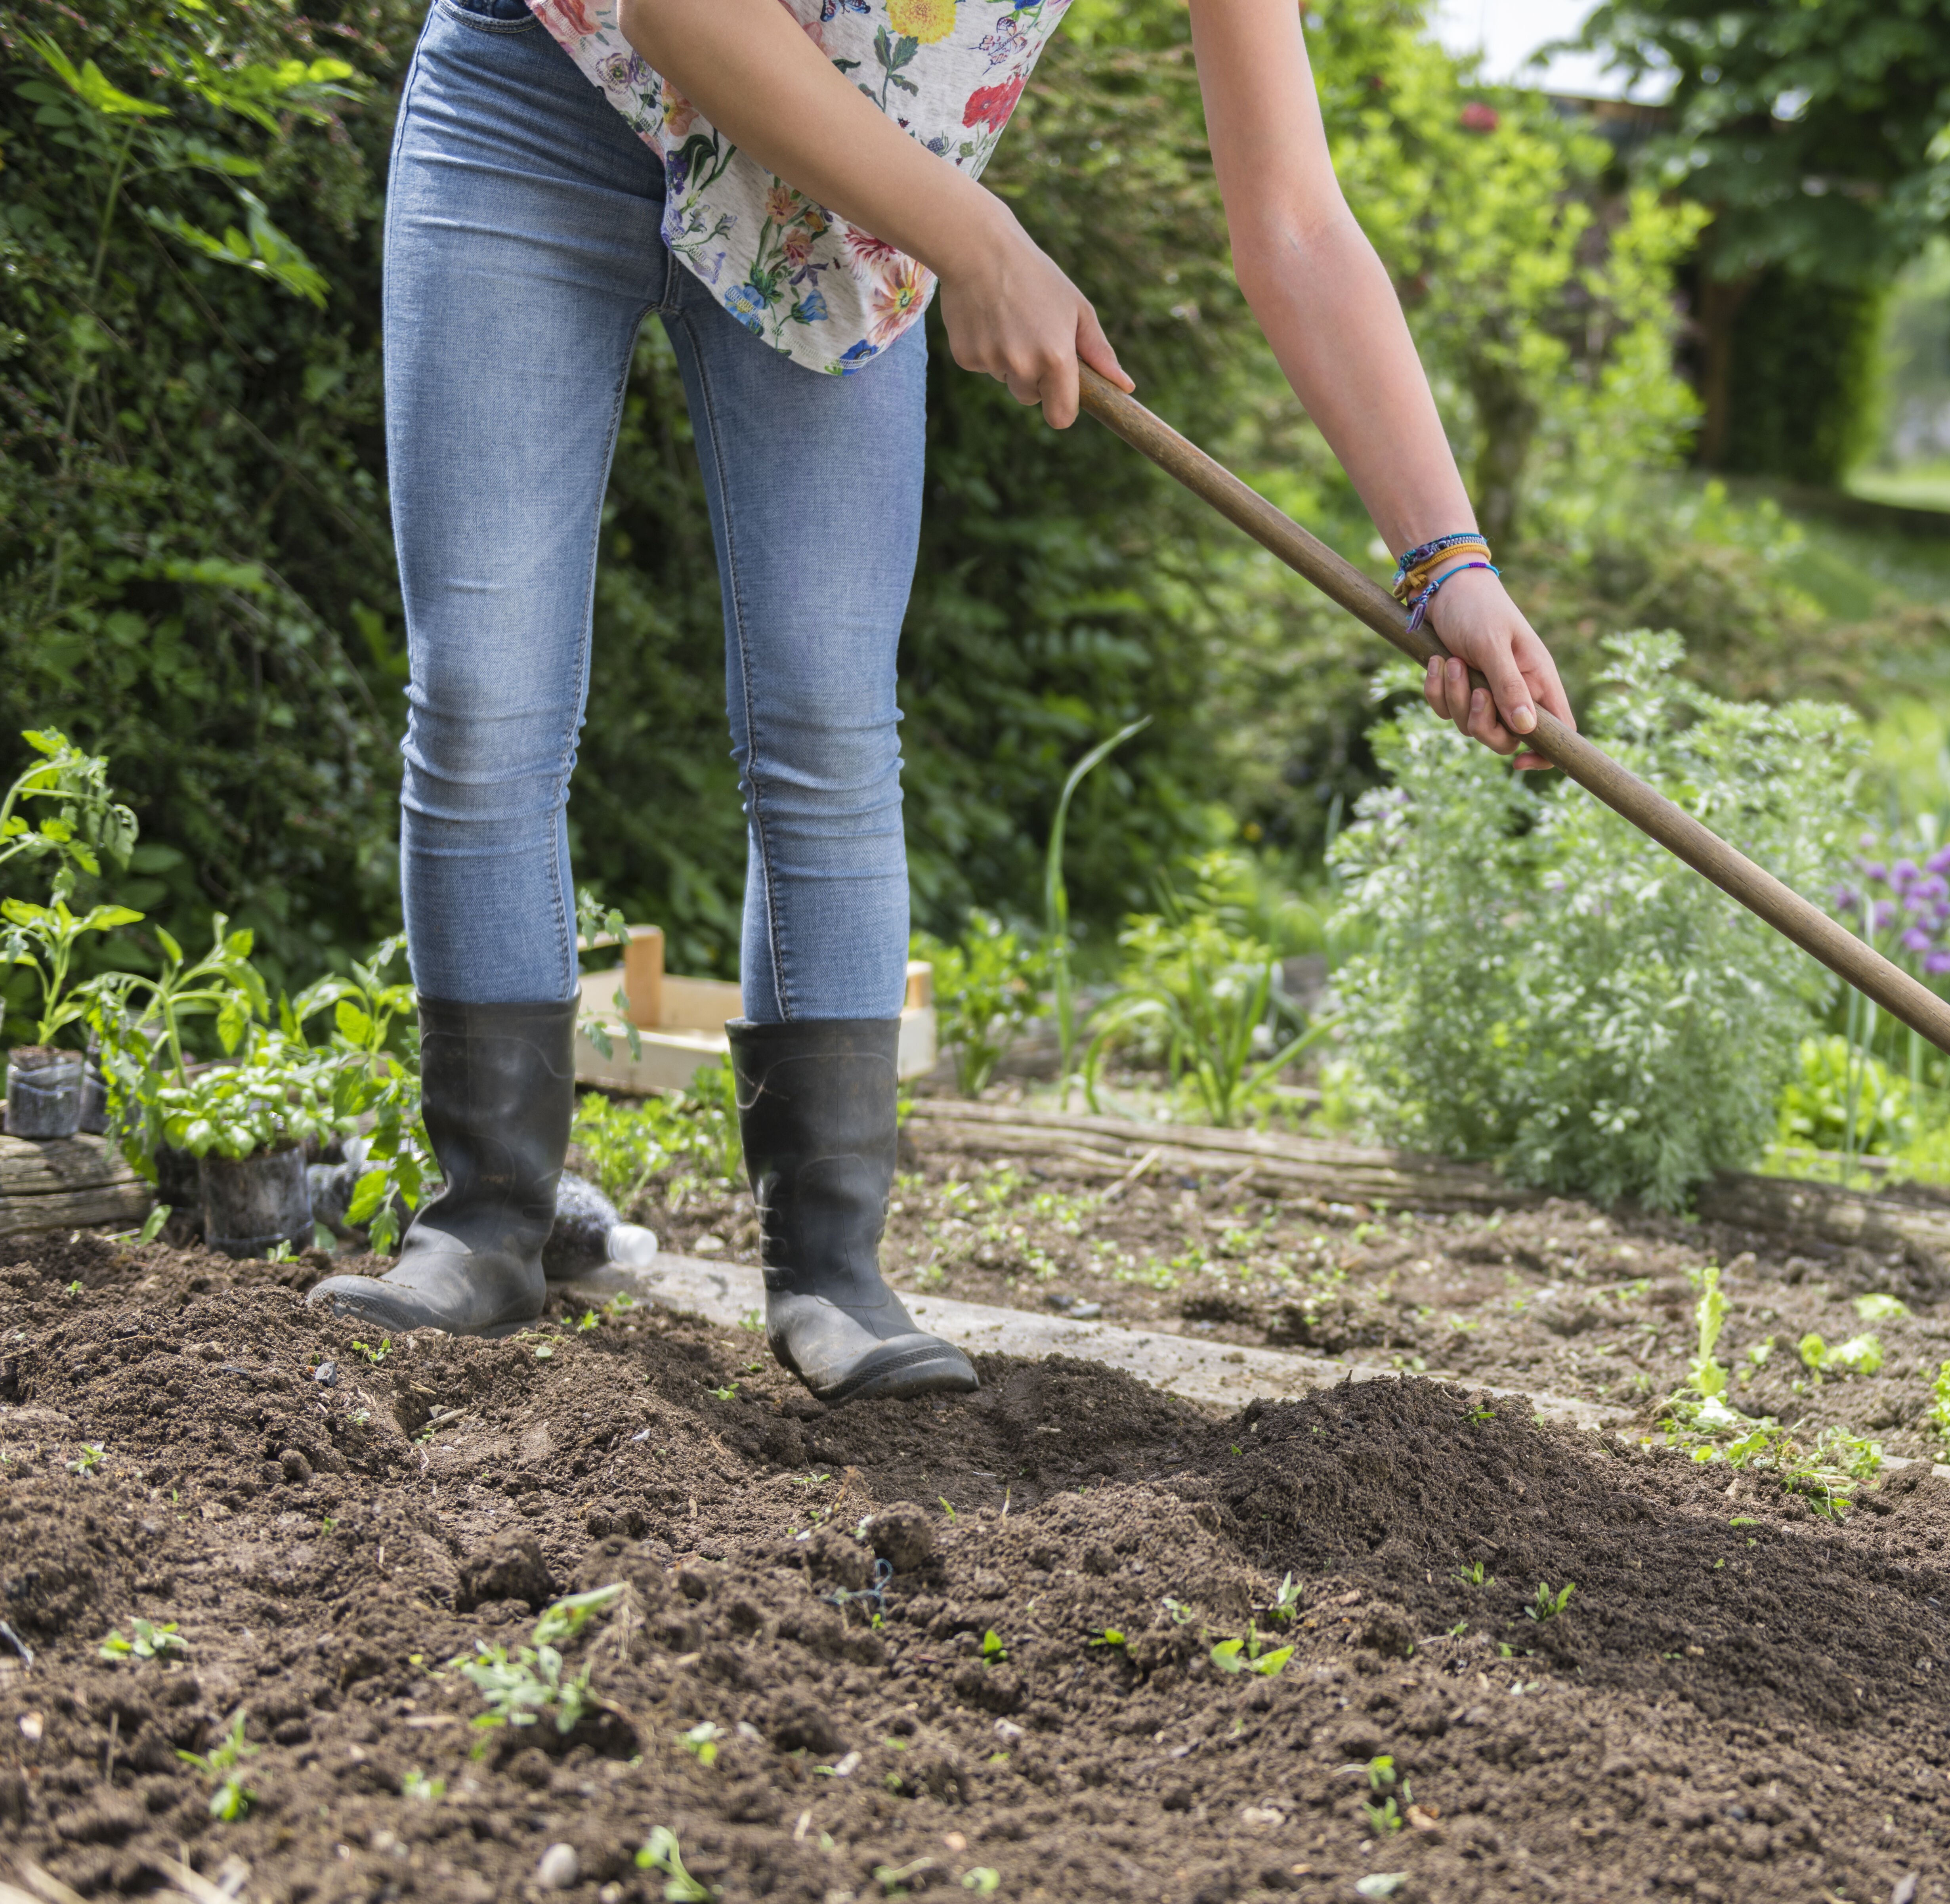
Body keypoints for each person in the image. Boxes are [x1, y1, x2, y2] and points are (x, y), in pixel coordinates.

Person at [313, 0, 1576, 1401]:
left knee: (827, 730)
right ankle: (489, 1224)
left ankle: (832, 1269)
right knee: (487, 692)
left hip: (845, 206)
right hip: (544, 95)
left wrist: (1445, 560)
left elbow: (1294, 222)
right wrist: (977, 241)